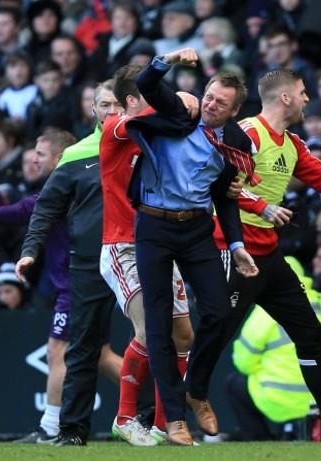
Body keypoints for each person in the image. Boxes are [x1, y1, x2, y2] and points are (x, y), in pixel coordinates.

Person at [212, 67, 321, 445]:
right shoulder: (246, 133)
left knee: (309, 331)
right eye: (303, 92)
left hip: (269, 254)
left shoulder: (293, 143)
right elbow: (217, 184)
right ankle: (165, 415)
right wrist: (262, 208)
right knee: (213, 336)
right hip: (233, 249)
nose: (308, 98)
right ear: (285, 97)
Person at [0, 128, 121, 443]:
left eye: (40, 154)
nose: (33, 160)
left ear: (61, 157)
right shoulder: (68, 184)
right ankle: (162, 404)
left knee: (57, 351)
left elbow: (20, 211)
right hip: (82, 281)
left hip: (78, 283)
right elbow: (22, 211)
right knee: (101, 355)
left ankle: (50, 427)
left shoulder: (69, 185)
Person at [125, 47, 259, 446]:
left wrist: (236, 245)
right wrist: (169, 59)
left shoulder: (235, 143)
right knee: (160, 323)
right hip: (153, 224)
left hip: (198, 228)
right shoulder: (179, 112)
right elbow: (148, 83)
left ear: (234, 111)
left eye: (221, 102)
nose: (211, 105)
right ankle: (175, 420)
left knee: (218, 312)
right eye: (209, 96)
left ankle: (196, 389)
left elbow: (226, 196)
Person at [15, 81, 125, 446]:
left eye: (118, 104)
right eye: (105, 104)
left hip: (140, 255)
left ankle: (167, 420)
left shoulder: (146, 144)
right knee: (83, 347)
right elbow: (46, 207)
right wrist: (31, 248)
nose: (111, 111)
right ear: (92, 110)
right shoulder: (77, 154)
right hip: (90, 261)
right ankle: (73, 431)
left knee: (159, 339)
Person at [99, 64, 197, 446]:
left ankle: (163, 423)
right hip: (122, 244)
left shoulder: (157, 133)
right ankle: (125, 417)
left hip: (158, 242)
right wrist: (180, 103)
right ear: (130, 101)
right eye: (150, 97)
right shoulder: (117, 126)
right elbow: (146, 119)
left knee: (183, 335)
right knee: (148, 330)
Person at [226, 256, 321, 441]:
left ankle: (259, 439)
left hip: (279, 400)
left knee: (233, 383)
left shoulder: (264, 310)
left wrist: (264, 368)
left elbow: (243, 361)